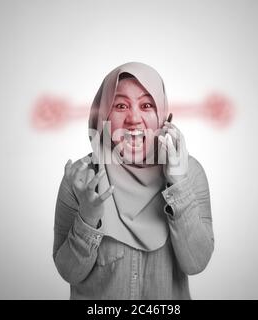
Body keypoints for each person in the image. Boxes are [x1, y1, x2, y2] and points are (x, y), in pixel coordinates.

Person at [53, 62, 214, 299]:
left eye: (147, 105)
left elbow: (196, 263)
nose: (134, 119)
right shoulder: (82, 180)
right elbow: (69, 272)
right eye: (120, 105)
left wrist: (178, 186)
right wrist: (88, 216)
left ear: (163, 115)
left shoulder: (190, 173)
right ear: (103, 114)